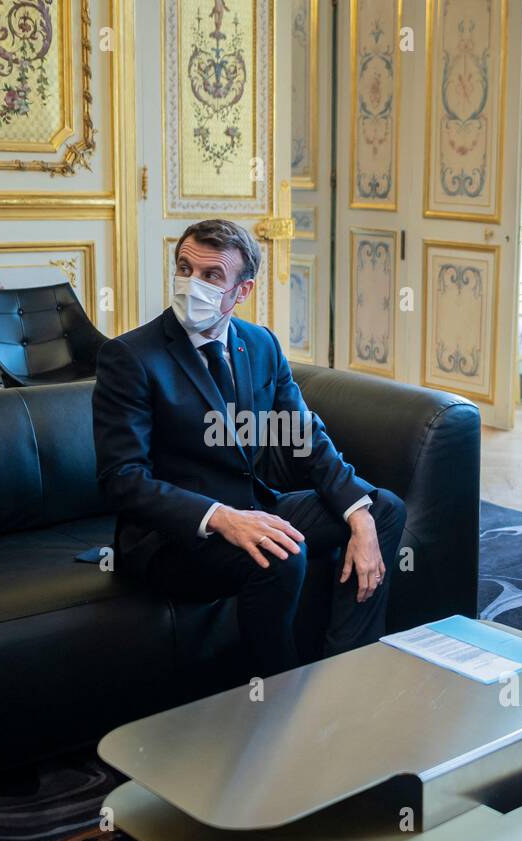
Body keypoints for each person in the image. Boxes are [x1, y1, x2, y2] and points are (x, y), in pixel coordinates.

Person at [92, 218, 406, 676]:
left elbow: (303, 436)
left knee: (382, 510)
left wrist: (357, 514)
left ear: (242, 291)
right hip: (172, 539)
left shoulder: (260, 345)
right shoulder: (131, 357)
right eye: (184, 268)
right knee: (281, 554)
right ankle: (272, 700)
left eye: (211, 275)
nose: (190, 283)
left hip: (254, 507)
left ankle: (345, 673)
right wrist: (220, 518)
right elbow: (121, 481)